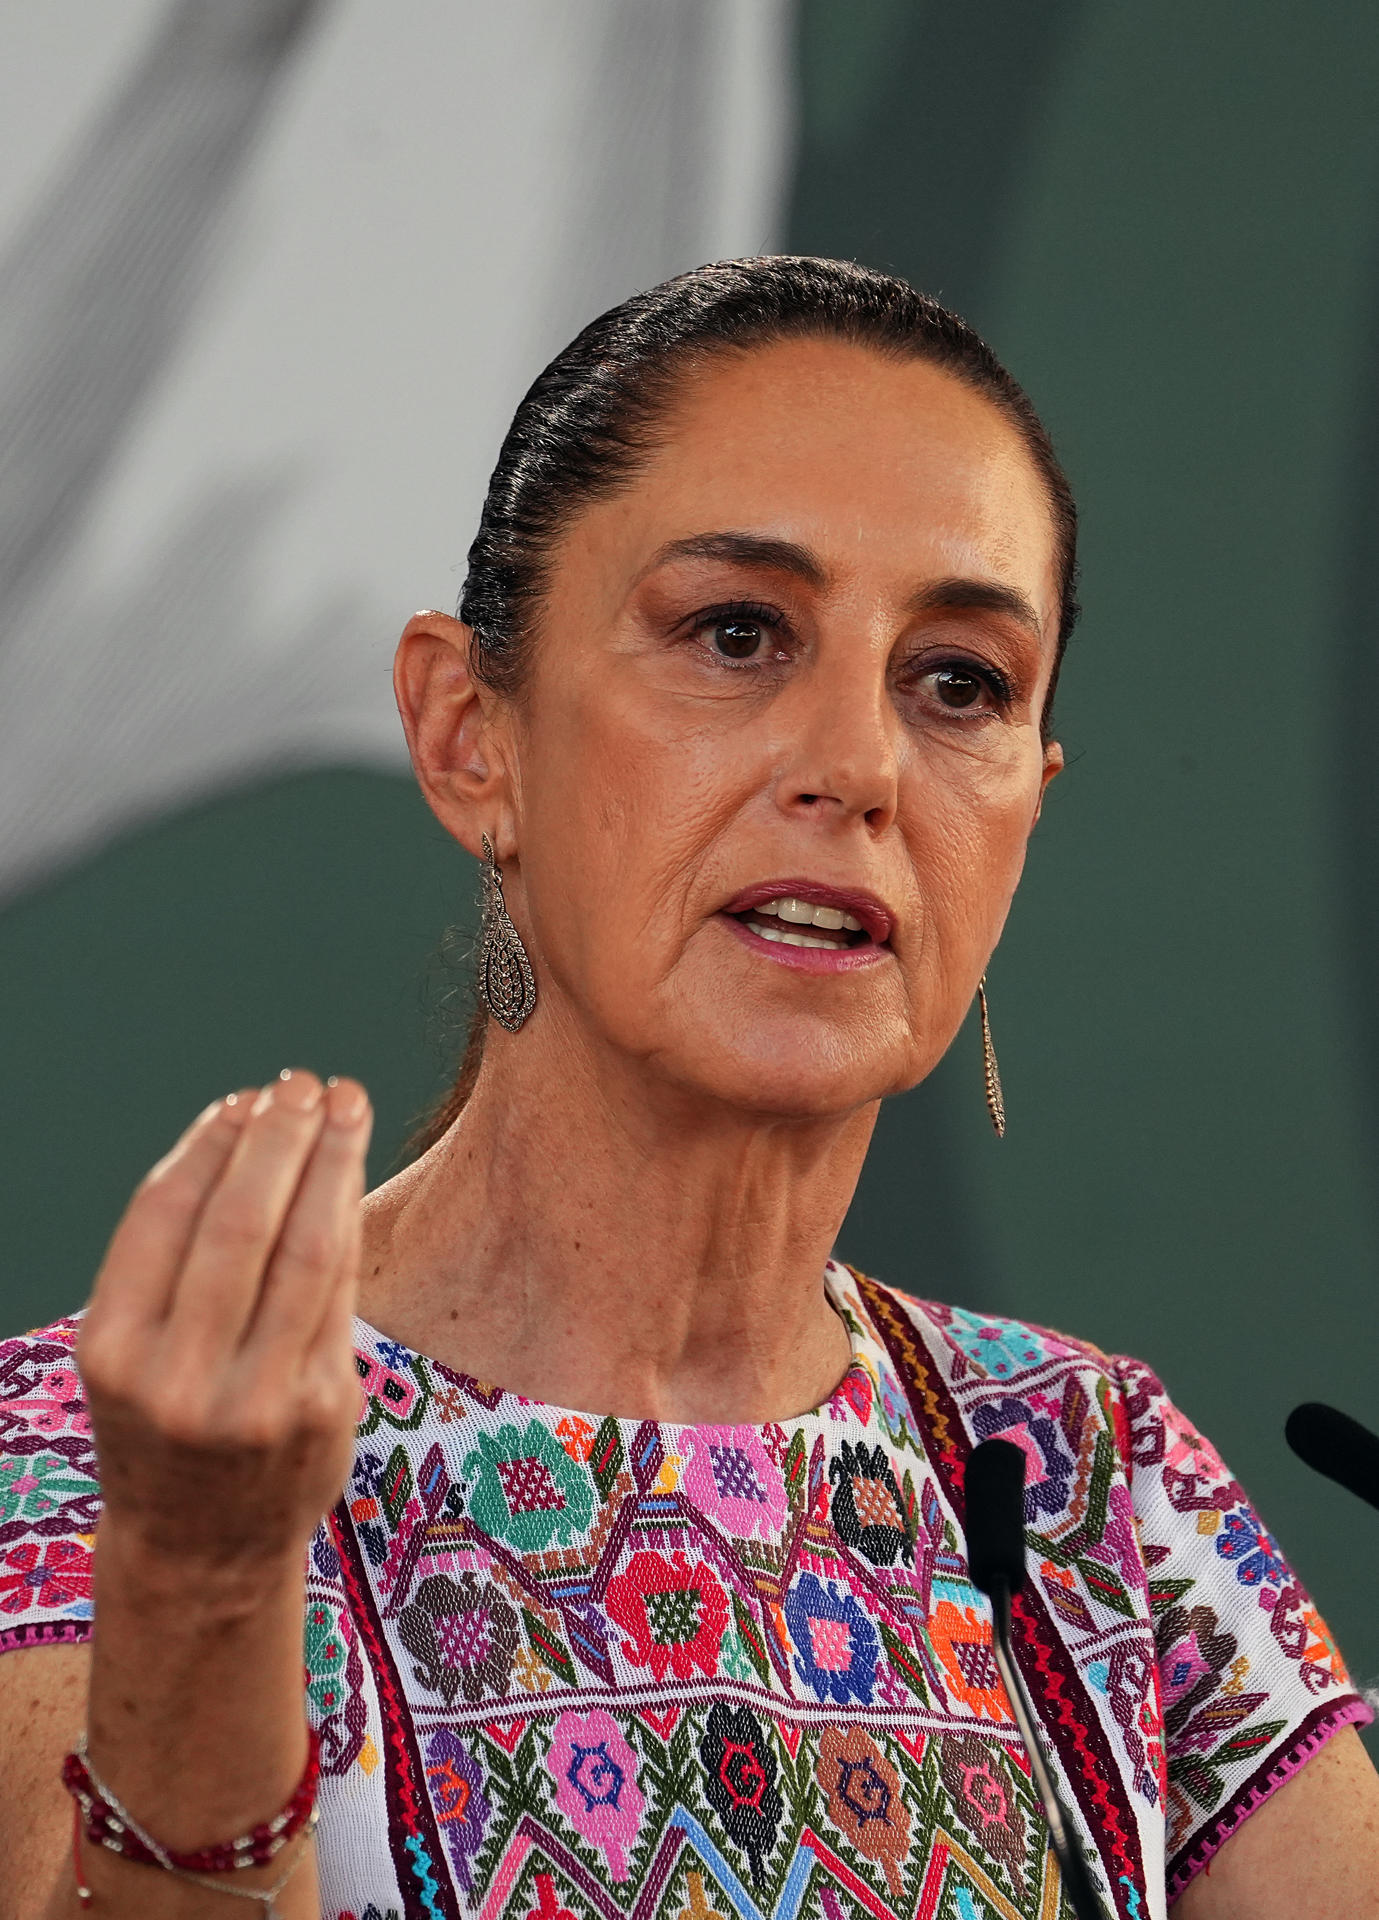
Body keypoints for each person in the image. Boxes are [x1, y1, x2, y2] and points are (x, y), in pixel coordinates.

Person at [0, 257, 1375, 1920]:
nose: (860, 768)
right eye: (737, 633)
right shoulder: (89, 1464)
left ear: (1030, 805)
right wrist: (212, 1579)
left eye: (961, 682)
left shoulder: (1092, 1474)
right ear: (466, 734)